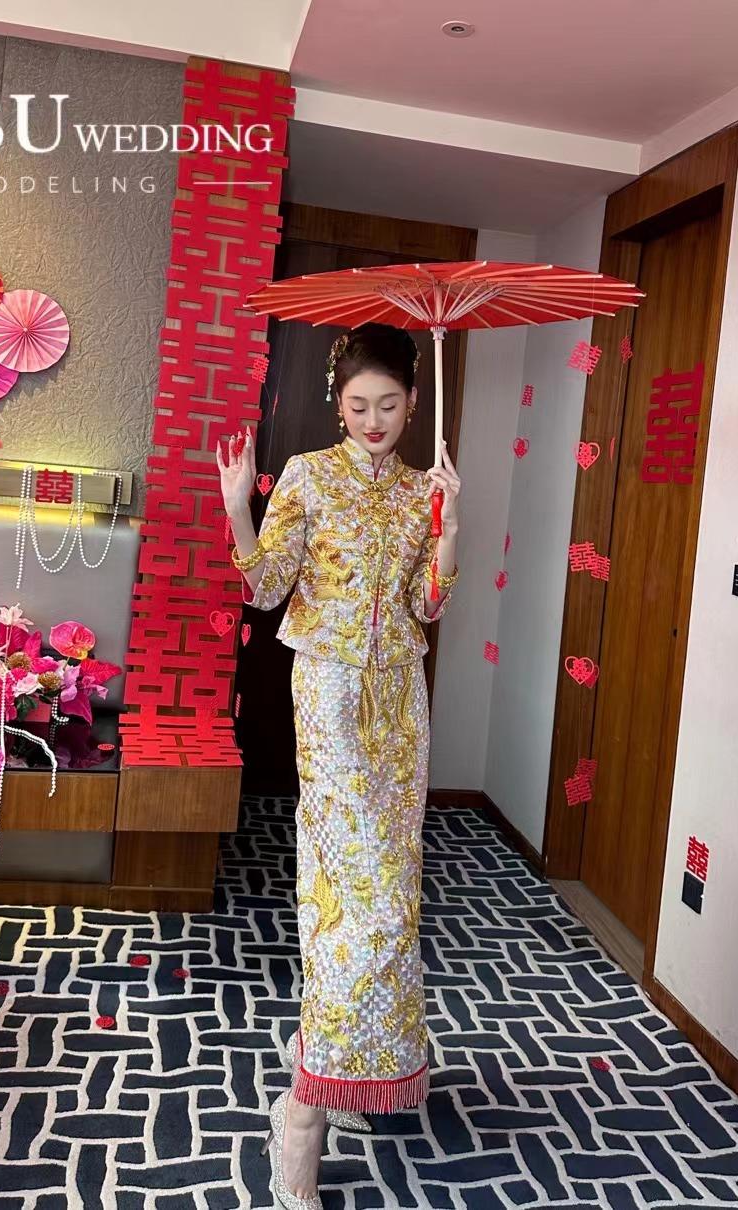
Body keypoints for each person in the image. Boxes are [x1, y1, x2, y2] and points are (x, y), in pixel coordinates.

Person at [216, 323, 462, 1209]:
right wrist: (240, 505)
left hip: (400, 701)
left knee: (392, 893)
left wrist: (449, 530)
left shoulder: (422, 488)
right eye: (358, 406)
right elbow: (266, 586)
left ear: (414, 401)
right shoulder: (309, 476)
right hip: (326, 692)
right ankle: (304, 1114)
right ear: (338, 403)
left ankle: (340, 1061)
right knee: (358, 899)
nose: (374, 421)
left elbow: (427, 607)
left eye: (389, 405)